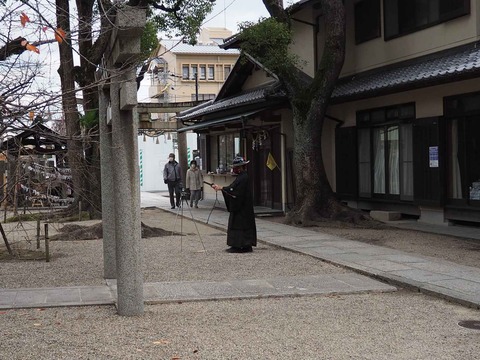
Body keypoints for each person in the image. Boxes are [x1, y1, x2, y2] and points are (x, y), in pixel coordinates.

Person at [212, 156, 257, 253]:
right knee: (239, 224)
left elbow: (236, 191)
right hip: (243, 208)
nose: (235, 170)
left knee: (239, 225)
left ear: (240, 168)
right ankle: (244, 245)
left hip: (242, 208)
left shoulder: (243, 178)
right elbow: (232, 188)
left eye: (236, 168)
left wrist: (222, 188)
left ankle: (241, 245)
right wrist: (222, 188)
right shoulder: (241, 177)